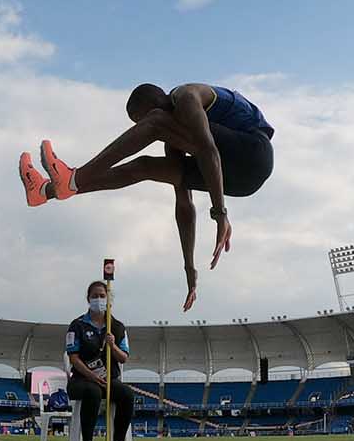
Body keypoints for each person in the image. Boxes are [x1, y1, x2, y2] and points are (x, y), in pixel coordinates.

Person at [21, 83, 275, 310]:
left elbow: (209, 151)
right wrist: (189, 266)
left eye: (141, 124)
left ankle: (73, 179)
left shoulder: (186, 97)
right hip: (239, 181)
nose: (143, 133)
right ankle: (44, 192)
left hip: (254, 154)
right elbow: (184, 204)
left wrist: (220, 214)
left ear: (159, 101)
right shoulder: (174, 140)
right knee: (143, 167)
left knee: (160, 125)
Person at [64, 280, 133, 441]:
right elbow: (73, 358)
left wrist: (112, 345)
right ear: (88, 299)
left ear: (108, 299)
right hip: (82, 380)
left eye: (102, 296)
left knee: (127, 394)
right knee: (92, 391)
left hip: (109, 380)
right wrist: (92, 376)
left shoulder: (117, 327)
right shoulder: (77, 325)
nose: (98, 299)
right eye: (94, 296)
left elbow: (124, 357)